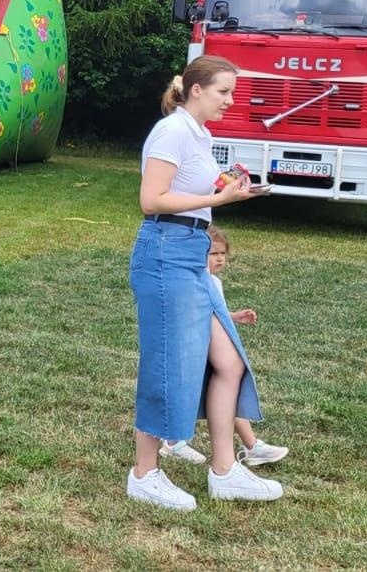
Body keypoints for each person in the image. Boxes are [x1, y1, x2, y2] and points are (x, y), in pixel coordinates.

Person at [127, 55, 277, 511]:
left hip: (191, 255)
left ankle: (225, 471)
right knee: (168, 363)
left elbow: (199, 186)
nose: (231, 100)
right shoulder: (172, 131)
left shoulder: (198, 134)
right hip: (165, 254)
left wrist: (232, 187)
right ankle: (144, 474)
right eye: (223, 91)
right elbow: (151, 199)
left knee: (228, 362)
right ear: (196, 90)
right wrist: (219, 196)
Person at [162, 226, 289, 469]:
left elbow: (215, 315)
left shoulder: (214, 283)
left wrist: (235, 316)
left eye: (223, 253)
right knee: (196, 396)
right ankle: (174, 442)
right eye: (213, 254)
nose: (220, 258)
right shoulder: (192, 284)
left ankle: (251, 446)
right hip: (197, 352)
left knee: (225, 396)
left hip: (212, 351)